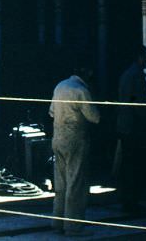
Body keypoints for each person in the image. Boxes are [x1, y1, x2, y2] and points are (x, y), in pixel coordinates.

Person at [50, 63, 100, 236]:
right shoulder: (81, 90)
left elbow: (51, 112)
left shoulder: (60, 86)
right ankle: (73, 226)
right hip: (76, 140)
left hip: (57, 138)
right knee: (76, 183)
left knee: (61, 183)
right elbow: (94, 117)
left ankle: (57, 222)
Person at [116, 45, 146, 213]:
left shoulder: (128, 75)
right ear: (140, 57)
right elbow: (139, 105)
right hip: (135, 129)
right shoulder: (136, 76)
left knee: (130, 165)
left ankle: (129, 200)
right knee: (139, 165)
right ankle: (131, 201)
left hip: (127, 127)